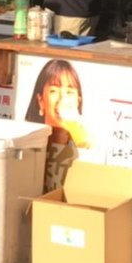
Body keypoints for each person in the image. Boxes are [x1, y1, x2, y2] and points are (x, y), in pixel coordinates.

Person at [25, 58, 90, 191]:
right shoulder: (26, 143)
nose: (62, 100)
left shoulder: (87, 146)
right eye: (54, 91)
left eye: (69, 92)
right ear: (41, 100)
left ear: (78, 101)